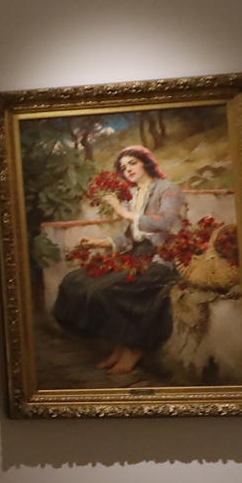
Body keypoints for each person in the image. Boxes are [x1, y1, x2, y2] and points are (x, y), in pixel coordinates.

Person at [51, 145, 187, 377]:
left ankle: (134, 348)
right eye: (124, 167)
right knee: (76, 280)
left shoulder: (168, 189)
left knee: (107, 288)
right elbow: (129, 237)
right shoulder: (133, 195)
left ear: (146, 162)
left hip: (159, 259)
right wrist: (100, 243)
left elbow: (164, 223)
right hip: (135, 255)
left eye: (132, 163)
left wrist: (124, 213)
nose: (128, 170)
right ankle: (120, 345)